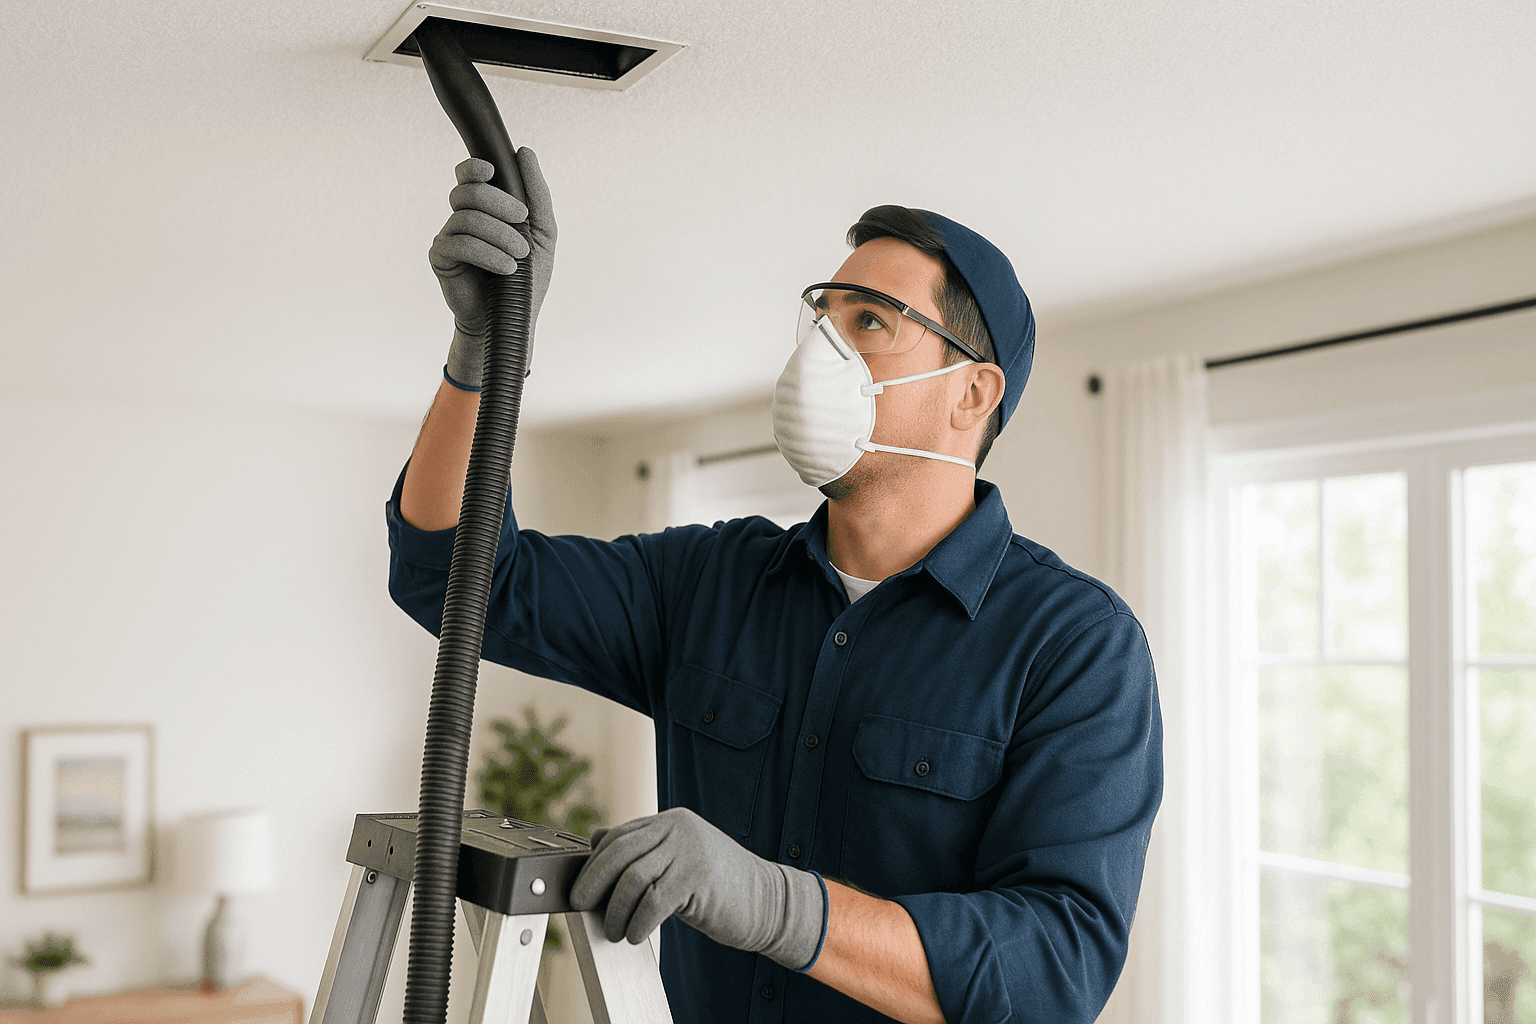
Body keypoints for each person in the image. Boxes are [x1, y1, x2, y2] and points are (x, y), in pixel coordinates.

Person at [388, 149, 1162, 1024]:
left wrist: (774, 905)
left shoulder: (1074, 645)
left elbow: (1053, 971)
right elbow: (452, 578)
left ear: (973, 393)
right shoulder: (709, 583)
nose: (824, 350)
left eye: (871, 321)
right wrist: (485, 352)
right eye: (821, 319)